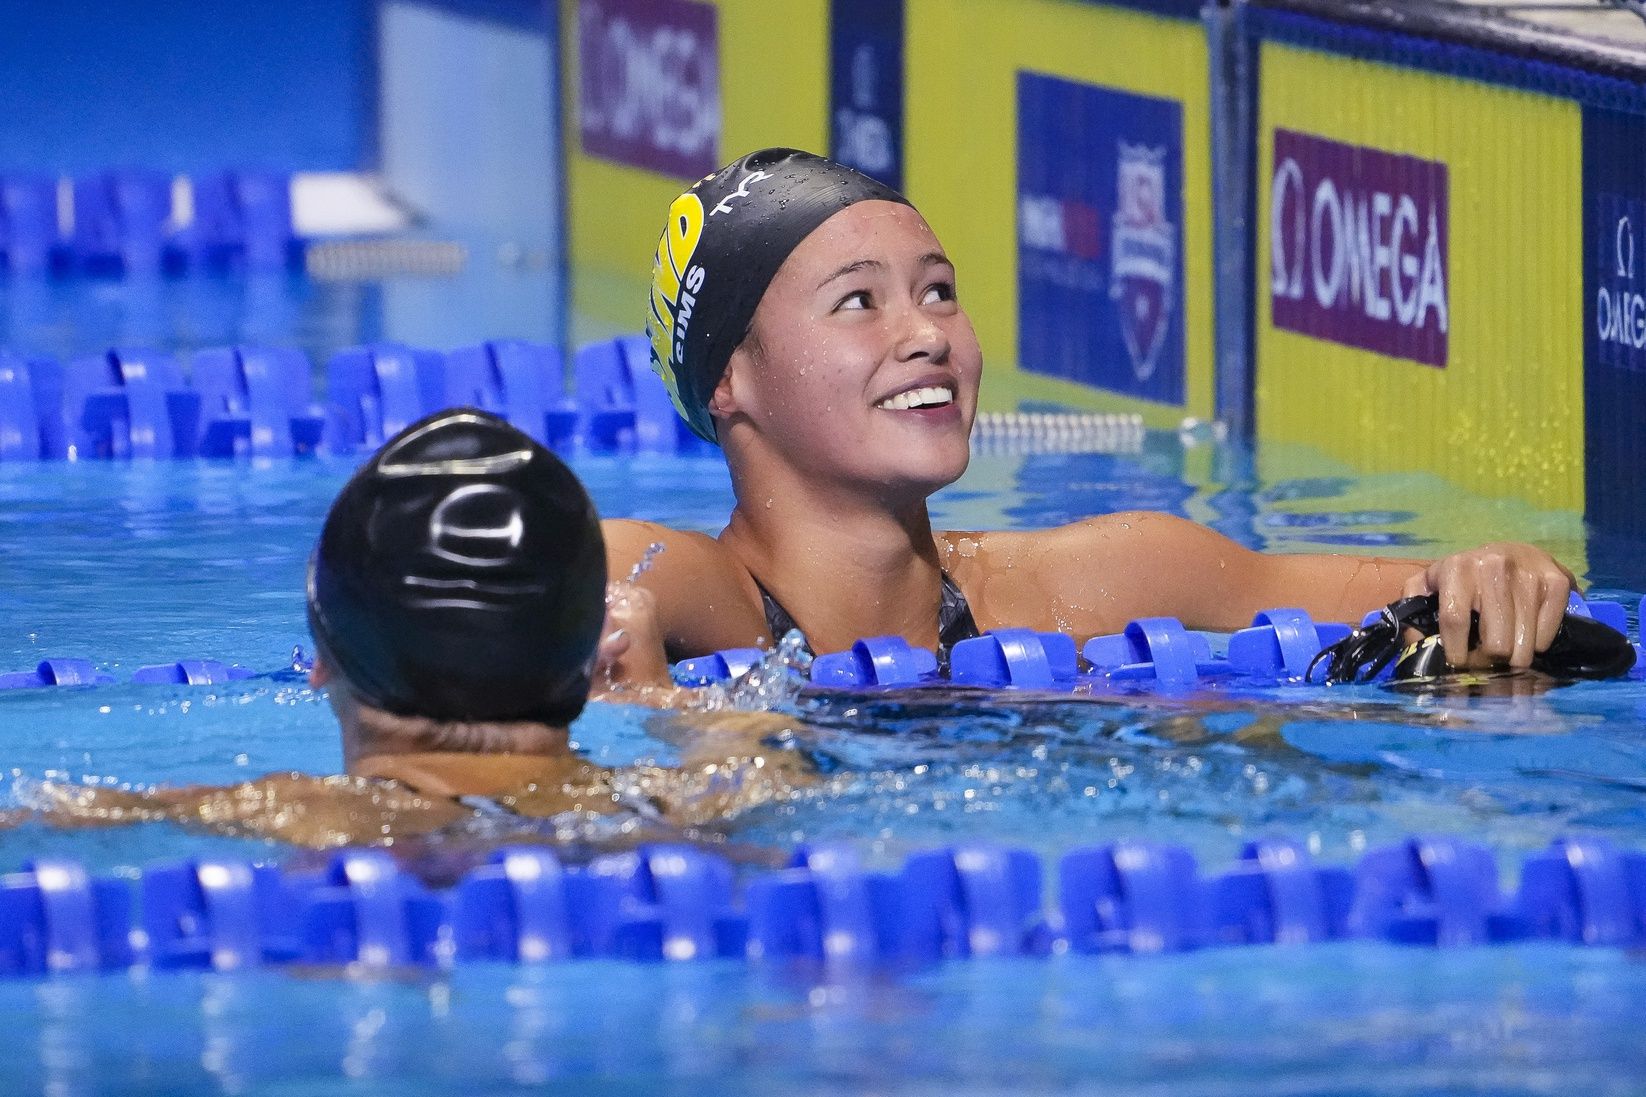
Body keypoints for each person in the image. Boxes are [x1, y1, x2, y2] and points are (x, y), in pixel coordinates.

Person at [605, 147, 1577, 676]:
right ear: (728, 381)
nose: (926, 334)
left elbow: (1435, 585)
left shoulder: (1091, 582)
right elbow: (515, 555)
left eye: (938, 290)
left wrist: (1490, 572)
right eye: (860, 302)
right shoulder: (691, 588)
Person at [31, 409, 813, 850]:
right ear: (585, 669)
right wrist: (656, 697)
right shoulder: (684, 805)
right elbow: (768, 751)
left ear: (321, 666)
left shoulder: (284, 814)